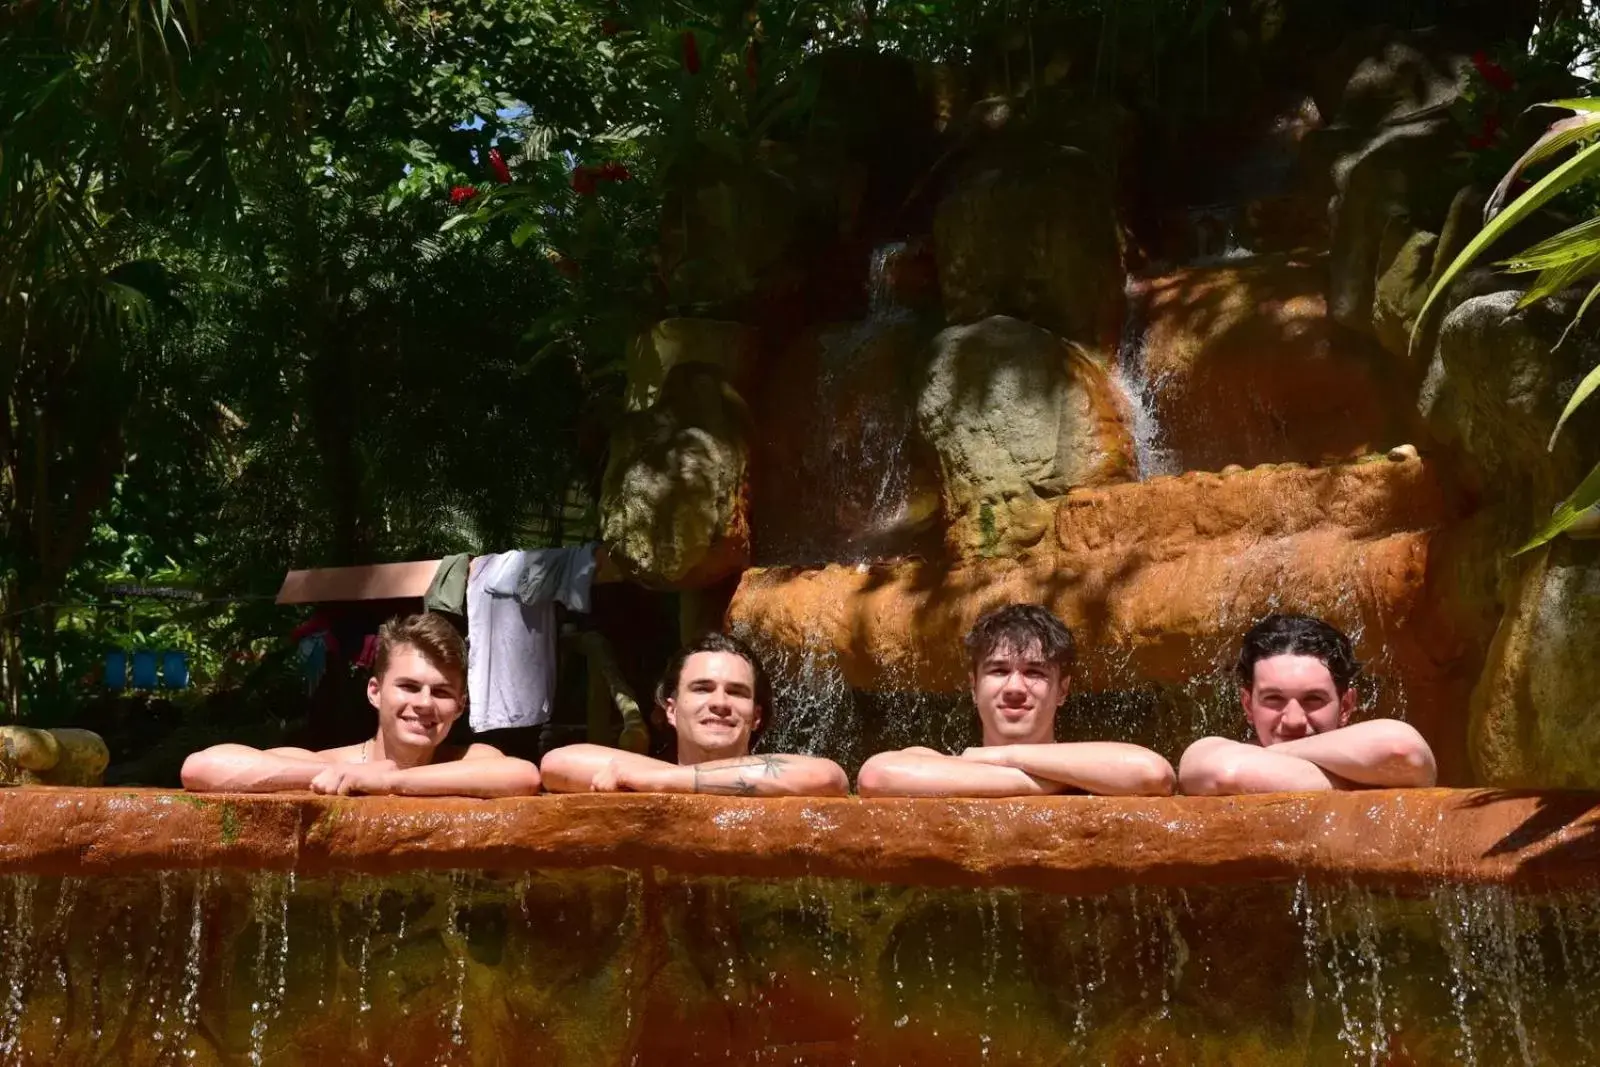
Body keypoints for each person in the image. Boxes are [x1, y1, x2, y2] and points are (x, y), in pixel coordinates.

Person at [181, 613, 543, 797]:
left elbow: (525, 776)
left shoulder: (470, 760)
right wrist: (351, 778)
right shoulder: (333, 766)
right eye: (408, 686)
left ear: (461, 706)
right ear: (374, 691)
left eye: (442, 692)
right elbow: (201, 768)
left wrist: (392, 781)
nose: (424, 703)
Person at [855, 604, 1176, 797]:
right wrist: (1040, 783)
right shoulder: (935, 761)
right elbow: (876, 776)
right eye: (998, 670)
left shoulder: (968, 762)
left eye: (1034, 672)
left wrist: (999, 756)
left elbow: (1152, 774)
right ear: (973, 686)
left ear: (1062, 690)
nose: (1014, 687)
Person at [539, 631, 849, 796]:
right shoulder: (647, 777)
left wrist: (662, 781)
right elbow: (558, 763)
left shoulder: (648, 781)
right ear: (671, 711)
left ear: (756, 717)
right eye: (702, 688)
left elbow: (828, 777)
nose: (720, 702)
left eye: (737, 691)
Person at [1177, 613, 1437, 794]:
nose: (1293, 720)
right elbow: (1224, 772)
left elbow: (1403, 751)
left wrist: (1267, 759)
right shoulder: (1215, 751)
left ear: (1346, 706)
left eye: (1313, 699)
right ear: (1248, 705)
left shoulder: (1383, 744)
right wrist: (1356, 785)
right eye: (1274, 699)